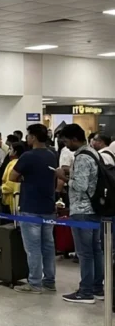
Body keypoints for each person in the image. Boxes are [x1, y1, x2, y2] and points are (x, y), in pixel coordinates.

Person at [56, 124, 103, 304]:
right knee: (95, 250)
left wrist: (63, 177)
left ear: (74, 139)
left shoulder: (82, 157)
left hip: (82, 210)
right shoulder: (93, 153)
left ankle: (86, 291)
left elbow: (80, 186)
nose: (66, 145)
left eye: (66, 141)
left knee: (85, 253)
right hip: (94, 209)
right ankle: (97, 288)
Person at [10, 124, 58, 294]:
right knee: (48, 246)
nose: (27, 138)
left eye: (28, 135)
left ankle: (35, 283)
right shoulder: (52, 155)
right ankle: (49, 281)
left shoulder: (28, 156)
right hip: (48, 205)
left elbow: (12, 176)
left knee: (33, 248)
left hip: (31, 205)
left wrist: (26, 178)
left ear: (34, 137)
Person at [0, 143, 24, 214]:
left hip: (11, 199)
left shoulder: (13, 164)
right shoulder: (20, 163)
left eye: (10, 149)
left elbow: (11, 184)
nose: (9, 151)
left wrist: (2, 188)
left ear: (15, 152)